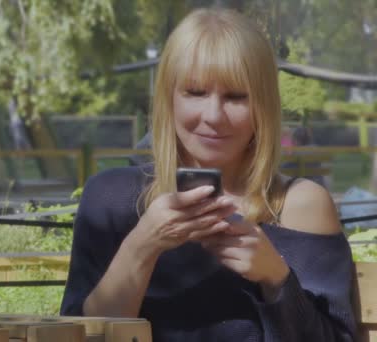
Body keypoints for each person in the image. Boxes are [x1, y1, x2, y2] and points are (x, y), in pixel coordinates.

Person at [60, 8, 356, 342]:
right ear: (168, 99)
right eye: (195, 92)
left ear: (263, 105)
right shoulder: (109, 199)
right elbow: (80, 336)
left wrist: (276, 279)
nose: (214, 116)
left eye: (235, 96)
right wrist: (142, 245)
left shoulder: (300, 206)